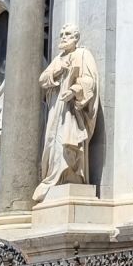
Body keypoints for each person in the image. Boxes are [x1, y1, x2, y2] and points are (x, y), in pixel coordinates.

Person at [34, 25, 99, 202]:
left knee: (67, 143)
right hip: (56, 110)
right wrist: (58, 70)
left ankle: (70, 176)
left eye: (68, 34)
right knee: (50, 144)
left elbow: (89, 80)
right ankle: (53, 179)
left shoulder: (82, 55)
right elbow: (42, 79)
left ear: (76, 38)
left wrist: (74, 90)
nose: (63, 37)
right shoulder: (58, 59)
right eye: (61, 34)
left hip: (71, 111)